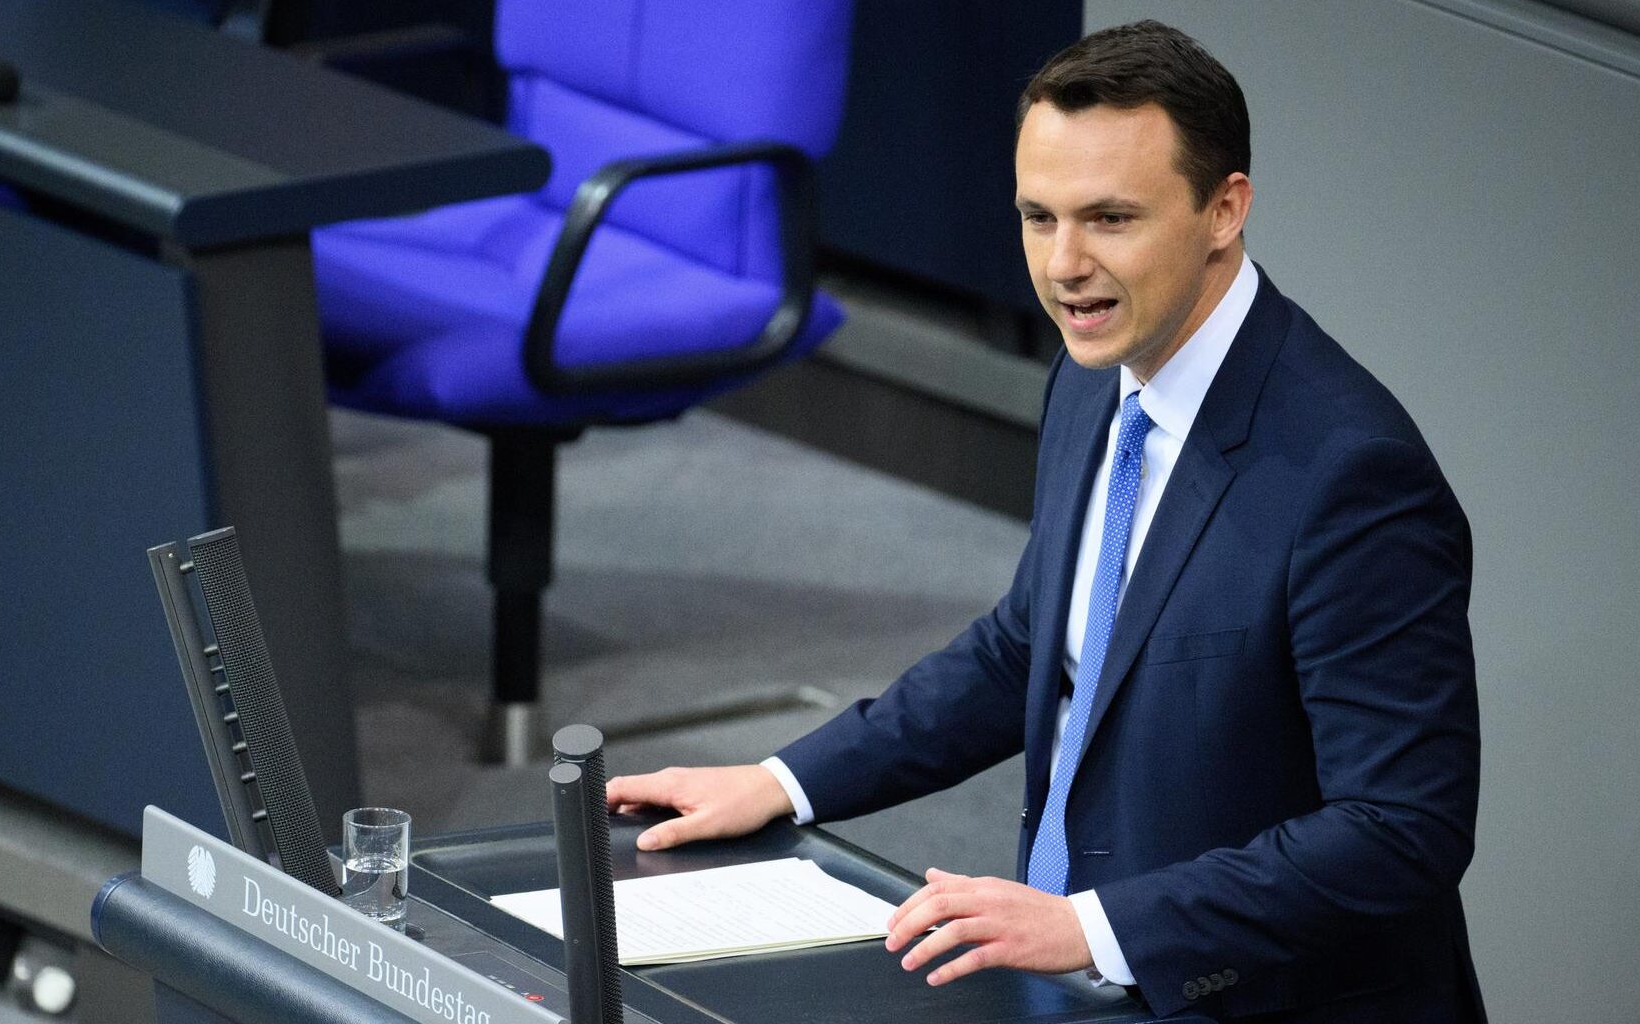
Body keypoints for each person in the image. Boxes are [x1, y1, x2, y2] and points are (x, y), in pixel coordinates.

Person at [605, 20, 1484, 1024]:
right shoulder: (1091, 373)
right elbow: (1029, 646)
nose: (1063, 265)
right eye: (1038, 217)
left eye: (1110, 219)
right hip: (1084, 985)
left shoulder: (1350, 475)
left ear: (1224, 210)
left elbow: (1398, 827)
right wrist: (783, 781)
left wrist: (1100, 929)